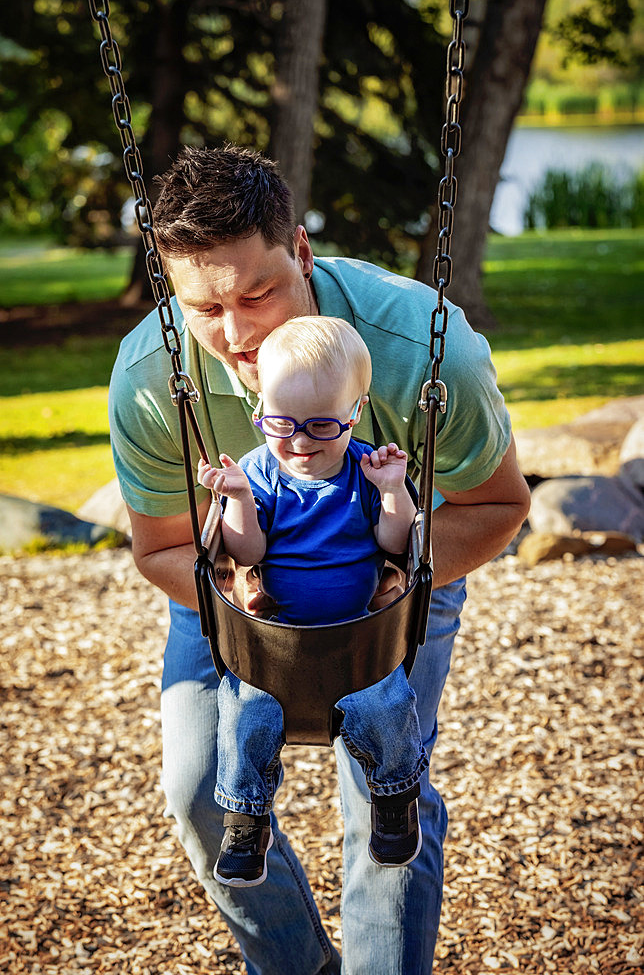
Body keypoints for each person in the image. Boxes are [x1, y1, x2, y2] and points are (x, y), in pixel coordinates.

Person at [108, 143, 530, 975]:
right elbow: (160, 549)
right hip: (237, 587)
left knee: (381, 787)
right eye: (204, 308)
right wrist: (246, 582)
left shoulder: (419, 350)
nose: (235, 334)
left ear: (301, 250)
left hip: (394, 566)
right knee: (200, 790)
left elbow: (497, 504)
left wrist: (390, 580)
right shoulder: (154, 378)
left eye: (258, 293)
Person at [197, 316, 427, 887]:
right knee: (245, 709)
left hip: (361, 637)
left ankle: (394, 799)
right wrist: (237, 501)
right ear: (259, 410)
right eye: (282, 422)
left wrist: (394, 491)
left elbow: (395, 545)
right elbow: (247, 551)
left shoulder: (367, 472)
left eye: (323, 425)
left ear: (356, 411)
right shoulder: (256, 475)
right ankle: (245, 819)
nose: (300, 441)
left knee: (385, 703)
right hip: (274, 642)